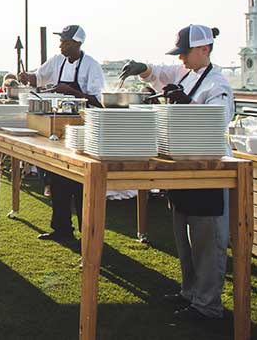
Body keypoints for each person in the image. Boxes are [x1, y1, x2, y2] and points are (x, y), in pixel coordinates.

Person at [119, 24, 234, 322]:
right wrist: (142, 68)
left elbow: (216, 122)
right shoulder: (186, 72)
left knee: (208, 240)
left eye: (185, 52)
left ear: (204, 50)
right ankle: (189, 292)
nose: (180, 58)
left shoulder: (218, 85)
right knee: (184, 237)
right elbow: (160, 71)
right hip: (183, 165)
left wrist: (187, 103)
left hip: (209, 170)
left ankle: (208, 304)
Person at [19, 25, 105, 245]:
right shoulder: (57, 60)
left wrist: (72, 93)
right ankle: (61, 229)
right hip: (57, 125)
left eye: (65, 42)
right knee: (56, 178)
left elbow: (97, 101)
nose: (60, 45)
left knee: (79, 185)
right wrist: (26, 76)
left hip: (81, 127)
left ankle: (89, 234)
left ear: (77, 43)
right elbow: (37, 77)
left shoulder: (92, 66)